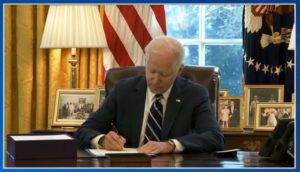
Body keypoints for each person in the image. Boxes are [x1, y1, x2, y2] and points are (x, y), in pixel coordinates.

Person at [74, 36, 224, 154]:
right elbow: (84, 131)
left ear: (179, 70)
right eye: (151, 71)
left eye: (164, 74)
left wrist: (171, 145)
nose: (155, 80)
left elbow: (214, 138)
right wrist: (102, 140)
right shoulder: (124, 90)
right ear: (146, 62)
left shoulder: (194, 94)